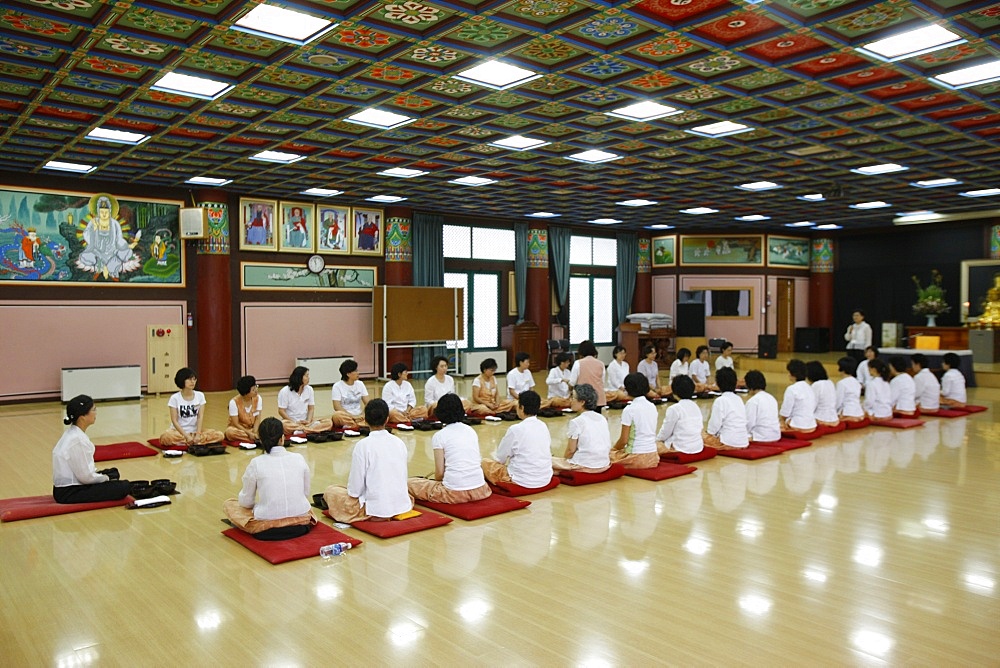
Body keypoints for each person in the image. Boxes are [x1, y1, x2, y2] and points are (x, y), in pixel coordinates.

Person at [223, 417, 316, 536]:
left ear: (261, 440)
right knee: (306, 507)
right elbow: (306, 493)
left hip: (267, 525)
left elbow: (246, 502)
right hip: (301, 520)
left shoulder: (256, 463)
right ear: (282, 438)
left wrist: (259, 505)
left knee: (230, 504)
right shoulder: (299, 458)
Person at [323, 399, 413, 523]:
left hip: (374, 509)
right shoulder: (399, 442)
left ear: (365, 420)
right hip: (402, 505)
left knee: (331, 491)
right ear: (387, 419)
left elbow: (355, 491)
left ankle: (373, 513)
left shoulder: (363, 445)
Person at [408, 394, 491, 503]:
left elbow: (439, 475)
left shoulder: (439, 436)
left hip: (454, 493)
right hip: (481, 490)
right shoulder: (470, 430)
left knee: (409, 483)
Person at [52, 395, 131, 504]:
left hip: (70, 486)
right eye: (93, 410)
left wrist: (105, 476)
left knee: (113, 473)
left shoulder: (73, 433)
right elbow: (86, 478)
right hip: (70, 492)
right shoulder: (77, 440)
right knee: (123, 487)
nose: (96, 413)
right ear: (82, 417)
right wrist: (105, 478)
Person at [482, 390, 553, 489]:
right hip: (545, 478)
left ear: (522, 408)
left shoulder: (515, 429)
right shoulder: (543, 425)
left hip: (522, 480)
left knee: (485, 462)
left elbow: (500, 459)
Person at [77, 195, 141, 280]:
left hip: (112, 251)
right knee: (85, 256)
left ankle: (108, 266)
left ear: (110, 211)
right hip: (97, 251)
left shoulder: (115, 223)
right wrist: (94, 230)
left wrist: (127, 246)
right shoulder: (93, 222)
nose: (104, 214)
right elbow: (87, 237)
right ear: (98, 212)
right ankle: (103, 265)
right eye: (102, 212)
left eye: (106, 212)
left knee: (127, 253)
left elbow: (119, 239)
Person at [552, 384, 611, 473]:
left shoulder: (577, 422)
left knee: (546, 461)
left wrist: (564, 462)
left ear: (582, 402)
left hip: (584, 465)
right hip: (604, 464)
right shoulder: (602, 418)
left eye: (573, 398)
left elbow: (570, 451)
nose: (570, 400)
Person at [159, 367, 225, 446]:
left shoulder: (200, 395)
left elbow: (200, 417)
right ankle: (192, 441)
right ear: (182, 380)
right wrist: (186, 436)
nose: (192, 382)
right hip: (178, 432)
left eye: (194, 379)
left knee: (219, 435)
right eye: (189, 379)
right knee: (166, 437)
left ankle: (190, 442)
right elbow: (174, 421)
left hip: (194, 431)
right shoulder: (175, 398)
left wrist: (198, 434)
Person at [610, 373, 659, 469]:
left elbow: (624, 440)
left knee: (605, 456)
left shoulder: (629, 410)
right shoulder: (652, 406)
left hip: (636, 458)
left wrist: (613, 449)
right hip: (653, 457)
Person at [655, 374, 705, 454]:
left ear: (674, 392)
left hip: (680, 447)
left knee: (653, 446)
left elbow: (665, 432)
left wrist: (657, 440)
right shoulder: (695, 406)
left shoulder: (674, 409)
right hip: (698, 446)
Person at [277, 366, 333, 436]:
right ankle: (309, 430)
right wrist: (294, 422)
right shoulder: (285, 391)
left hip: (306, 421)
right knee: (283, 426)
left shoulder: (309, 389)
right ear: (299, 377)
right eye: (306, 376)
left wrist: (308, 421)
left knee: (328, 422)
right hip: (290, 422)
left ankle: (302, 430)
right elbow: (281, 411)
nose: (308, 378)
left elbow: (311, 408)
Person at [704, 367, 748, 449]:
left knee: (699, 437)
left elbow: (713, 427)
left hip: (727, 441)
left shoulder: (720, 400)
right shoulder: (738, 399)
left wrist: (708, 434)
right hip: (743, 441)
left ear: (718, 383)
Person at [780, 359, 817, 433]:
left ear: (793, 374)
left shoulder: (791, 389)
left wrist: (782, 421)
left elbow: (785, 412)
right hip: (812, 425)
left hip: (798, 425)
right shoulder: (810, 387)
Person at [744, 370, 781, 442]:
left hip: (760, 437)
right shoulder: (771, 397)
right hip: (776, 435)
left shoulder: (753, 401)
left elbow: (748, 424)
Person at [331, 359, 369, 429]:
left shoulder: (360, 384)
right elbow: (337, 407)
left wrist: (363, 414)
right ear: (348, 374)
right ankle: (358, 424)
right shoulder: (337, 386)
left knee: (375, 411)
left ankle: (354, 425)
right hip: (346, 416)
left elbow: (368, 403)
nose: (358, 373)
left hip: (360, 416)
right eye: (355, 371)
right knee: (337, 416)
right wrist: (352, 416)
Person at [568, 340, 606, 408]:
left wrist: (570, 391)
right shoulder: (601, 364)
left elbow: (572, 383)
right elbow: (602, 382)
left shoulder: (578, 363)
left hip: (584, 401)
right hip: (599, 399)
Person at [225, 375, 262, 443]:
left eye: (256, 387)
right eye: (253, 389)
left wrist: (254, 431)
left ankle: (254, 437)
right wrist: (249, 433)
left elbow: (257, 418)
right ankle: (257, 438)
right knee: (230, 432)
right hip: (239, 429)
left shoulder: (258, 398)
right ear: (245, 393)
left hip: (253, 429)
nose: (256, 390)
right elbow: (236, 424)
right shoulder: (234, 402)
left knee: (266, 427)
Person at [806, 360, 840, 427]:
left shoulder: (816, 385)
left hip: (821, 419)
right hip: (834, 418)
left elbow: (811, 406)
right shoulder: (830, 382)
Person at [835, 357, 866, 422]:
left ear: (842, 369)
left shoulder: (841, 383)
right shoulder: (856, 382)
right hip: (859, 412)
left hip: (847, 412)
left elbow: (838, 401)